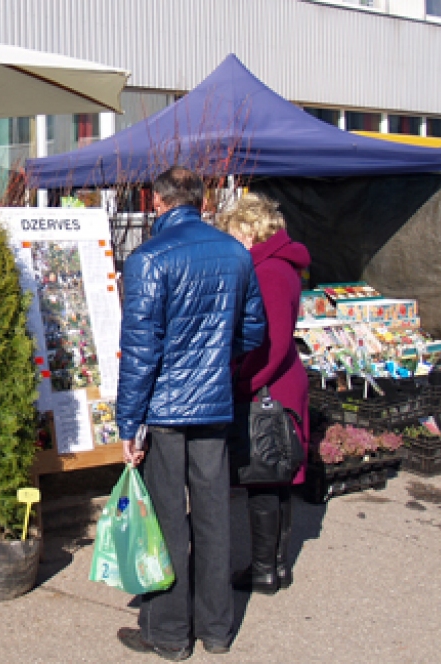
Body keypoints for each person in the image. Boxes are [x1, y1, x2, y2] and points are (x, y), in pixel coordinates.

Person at [115, 167, 266, 661]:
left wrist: (128, 425)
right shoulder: (235, 253)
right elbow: (252, 332)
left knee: (165, 522)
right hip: (212, 400)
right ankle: (217, 630)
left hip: (164, 406)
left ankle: (170, 632)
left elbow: (140, 352)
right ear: (200, 201)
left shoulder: (148, 259)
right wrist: (214, 360)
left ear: (157, 203)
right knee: (213, 514)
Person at [217, 193, 311, 595]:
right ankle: (275, 566)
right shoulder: (280, 264)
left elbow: (268, 346)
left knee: (264, 477)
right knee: (276, 477)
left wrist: (241, 384)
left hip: (270, 386)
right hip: (281, 381)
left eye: (233, 232)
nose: (230, 240)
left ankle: (263, 570)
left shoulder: (269, 270)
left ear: (250, 229)